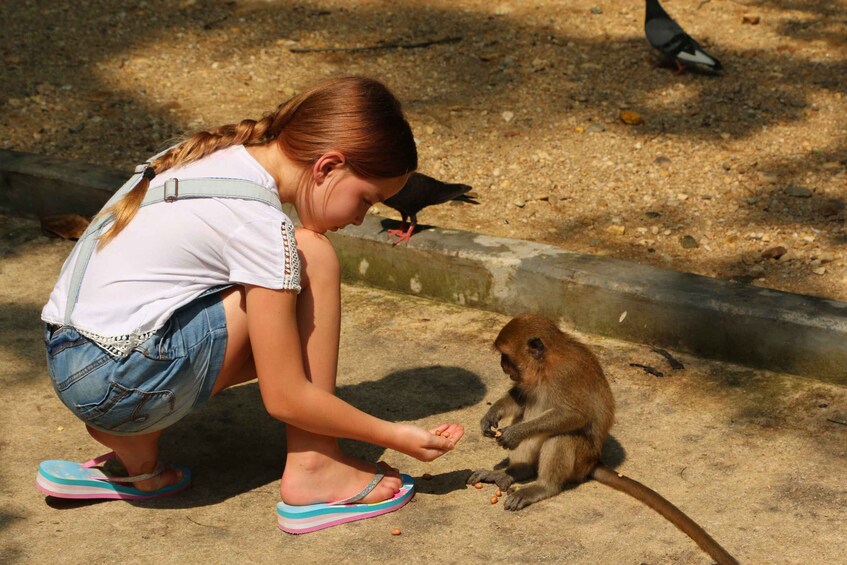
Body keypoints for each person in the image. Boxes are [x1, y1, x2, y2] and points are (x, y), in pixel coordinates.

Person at [36, 76, 464, 532]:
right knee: (312, 255)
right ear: (327, 166)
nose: (361, 218)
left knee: (231, 310)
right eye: (367, 199)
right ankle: (316, 469)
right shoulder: (259, 223)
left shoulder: (209, 158)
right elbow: (284, 396)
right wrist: (393, 434)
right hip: (122, 381)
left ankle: (133, 453)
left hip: (70, 359)